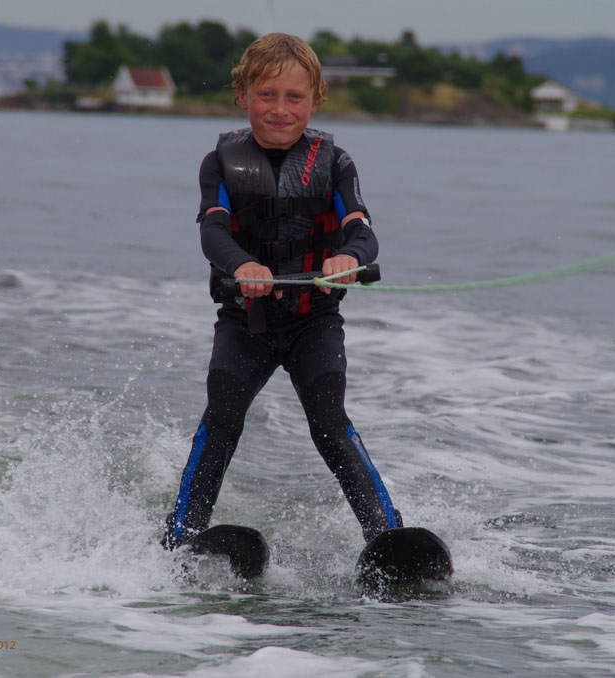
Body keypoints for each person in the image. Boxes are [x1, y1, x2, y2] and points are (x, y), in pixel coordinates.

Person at [161, 33, 402, 551]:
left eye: (294, 97)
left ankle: (387, 536)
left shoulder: (336, 164)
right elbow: (213, 233)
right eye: (266, 95)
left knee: (329, 423)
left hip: (314, 320)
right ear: (242, 96)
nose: (280, 109)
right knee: (222, 418)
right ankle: (180, 537)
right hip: (246, 319)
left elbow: (363, 233)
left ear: (315, 101)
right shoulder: (219, 164)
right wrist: (243, 264)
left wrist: (349, 257)